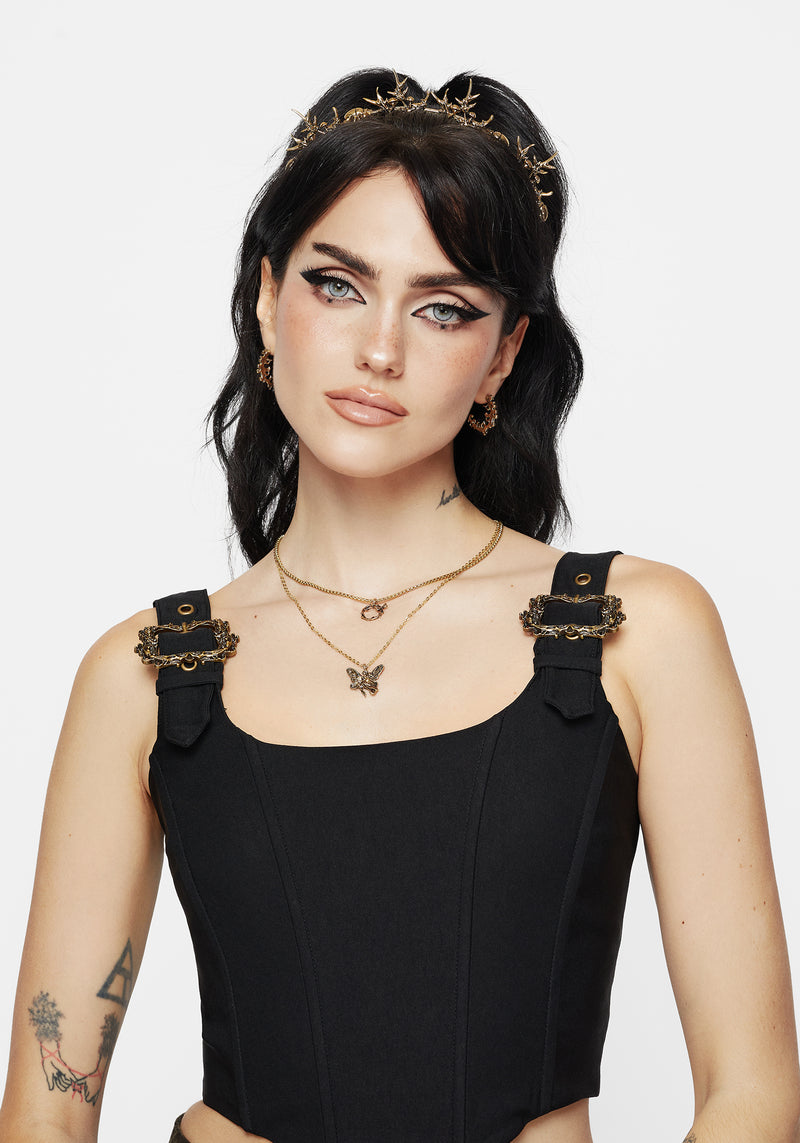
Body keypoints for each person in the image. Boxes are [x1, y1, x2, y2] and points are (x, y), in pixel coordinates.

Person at [1, 66, 798, 1143]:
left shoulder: (636, 630)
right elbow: (45, 1115)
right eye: (338, 285)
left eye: (442, 308)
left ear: (502, 354)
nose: (380, 350)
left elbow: (753, 1096)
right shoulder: (144, 670)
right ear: (265, 299)